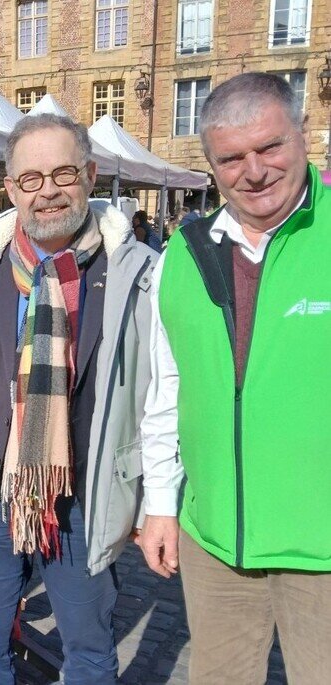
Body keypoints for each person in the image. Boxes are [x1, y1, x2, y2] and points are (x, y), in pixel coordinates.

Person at [0, 113, 157, 684]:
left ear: (91, 176)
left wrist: (151, 499)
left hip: (84, 501)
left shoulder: (137, 274)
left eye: (63, 173)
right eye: (30, 179)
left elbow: (157, 396)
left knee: (91, 656)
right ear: (11, 189)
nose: (47, 190)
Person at [138, 72, 331, 684]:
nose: (254, 171)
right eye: (231, 158)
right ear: (211, 166)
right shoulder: (182, 254)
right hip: (216, 541)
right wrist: (161, 506)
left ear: (301, 136)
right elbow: (166, 391)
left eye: (269, 147)